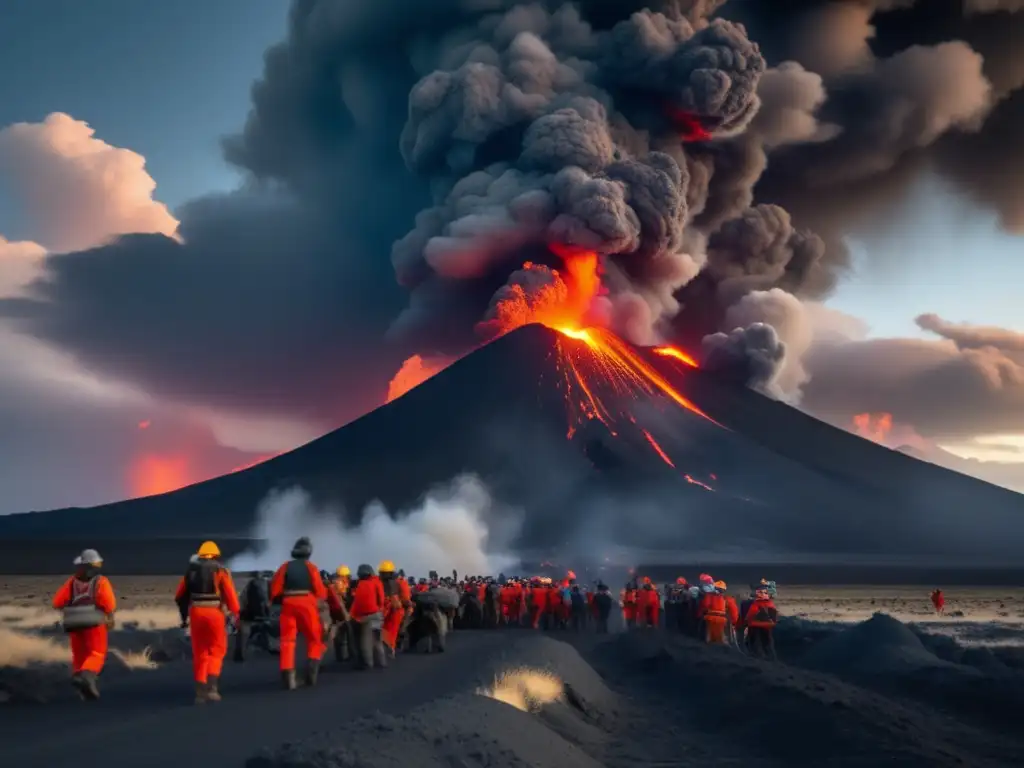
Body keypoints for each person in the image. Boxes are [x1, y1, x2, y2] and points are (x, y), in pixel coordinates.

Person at [174, 541, 240, 703]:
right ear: (215, 555)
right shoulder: (220, 571)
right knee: (217, 649)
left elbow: (179, 596)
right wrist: (236, 614)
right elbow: (230, 595)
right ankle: (212, 688)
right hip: (215, 613)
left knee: (200, 651)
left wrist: (184, 618)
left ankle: (200, 692)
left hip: (196, 613)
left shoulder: (190, 572)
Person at [52, 549, 116, 701]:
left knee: (79, 655)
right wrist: (109, 616)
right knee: (96, 653)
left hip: (73, 623)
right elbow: (108, 602)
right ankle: (86, 676)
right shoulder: (101, 582)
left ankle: (83, 683)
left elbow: (58, 602)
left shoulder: (71, 582)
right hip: (94, 623)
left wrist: (72, 609)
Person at [269, 537, 329, 690]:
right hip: (307, 603)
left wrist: (276, 600)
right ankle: (311, 675)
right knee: (315, 638)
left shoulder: (285, 567)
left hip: (288, 603)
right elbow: (321, 592)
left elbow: (275, 589)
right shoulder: (311, 568)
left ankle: (289, 678)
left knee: (287, 641)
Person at [349, 563, 387, 669]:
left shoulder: (360, 584)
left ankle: (368, 663)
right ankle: (381, 662)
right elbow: (381, 599)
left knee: (365, 641)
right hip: (377, 614)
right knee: (377, 639)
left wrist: (353, 615)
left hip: (364, 617)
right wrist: (379, 609)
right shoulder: (377, 582)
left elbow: (356, 602)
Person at [234, 570, 271, 662]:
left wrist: (241, 612)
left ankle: (239, 654)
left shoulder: (250, 585)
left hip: (250, 614)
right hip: (265, 615)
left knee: (243, 632)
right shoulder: (268, 584)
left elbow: (242, 600)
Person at [379, 560, 405, 656]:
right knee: (390, 631)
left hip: (392, 610)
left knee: (389, 631)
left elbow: (395, 600)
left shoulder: (390, 584)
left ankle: (390, 649)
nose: (382, 575)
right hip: (391, 609)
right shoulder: (395, 583)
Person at [744, 587, 778, 659]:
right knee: (768, 644)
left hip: (756, 627)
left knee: (755, 644)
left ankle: (758, 659)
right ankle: (772, 658)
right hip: (768, 627)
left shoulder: (756, 604)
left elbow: (750, 616)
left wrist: (746, 624)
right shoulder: (771, 604)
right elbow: (774, 616)